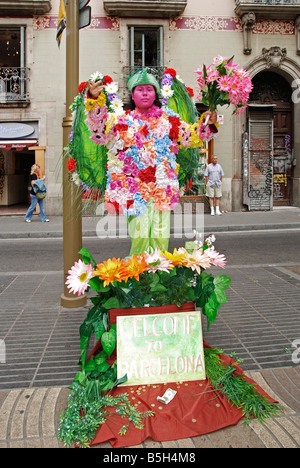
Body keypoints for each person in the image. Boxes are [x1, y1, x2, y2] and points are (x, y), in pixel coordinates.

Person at [84, 69, 217, 254]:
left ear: (156, 94)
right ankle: (140, 278)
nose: (145, 93)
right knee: (139, 237)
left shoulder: (169, 120)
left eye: (149, 89)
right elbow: (98, 127)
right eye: (140, 89)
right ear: (132, 94)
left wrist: (208, 123)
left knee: (160, 236)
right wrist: (93, 100)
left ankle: (158, 275)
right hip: (134, 191)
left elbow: (191, 136)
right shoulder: (121, 121)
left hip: (161, 189)